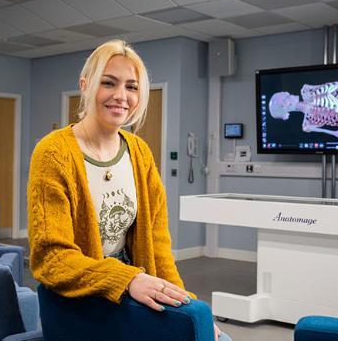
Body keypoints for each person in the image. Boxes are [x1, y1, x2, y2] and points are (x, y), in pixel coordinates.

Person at [28, 39, 229, 341]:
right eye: (108, 83)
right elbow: (51, 258)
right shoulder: (53, 152)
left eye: (132, 87)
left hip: (135, 285)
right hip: (79, 297)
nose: (121, 96)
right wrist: (127, 279)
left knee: (212, 334)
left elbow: (159, 250)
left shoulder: (139, 152)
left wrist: (190, 306)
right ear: (85, 85)